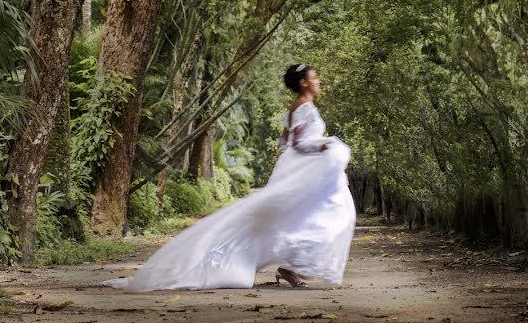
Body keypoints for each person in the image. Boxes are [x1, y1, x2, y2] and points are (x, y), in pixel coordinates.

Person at [101, 64, 356, 291]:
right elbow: (297, 144)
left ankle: (291, 266)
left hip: (303, 171)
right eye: (315, 78)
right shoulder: (303, 107)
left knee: (306, 215)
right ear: (303, 83)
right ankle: (290, 266)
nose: (318, 81)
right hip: (304, 169)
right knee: (317, 213)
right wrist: (322, 146)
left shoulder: (299, 107)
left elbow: (282, 141)